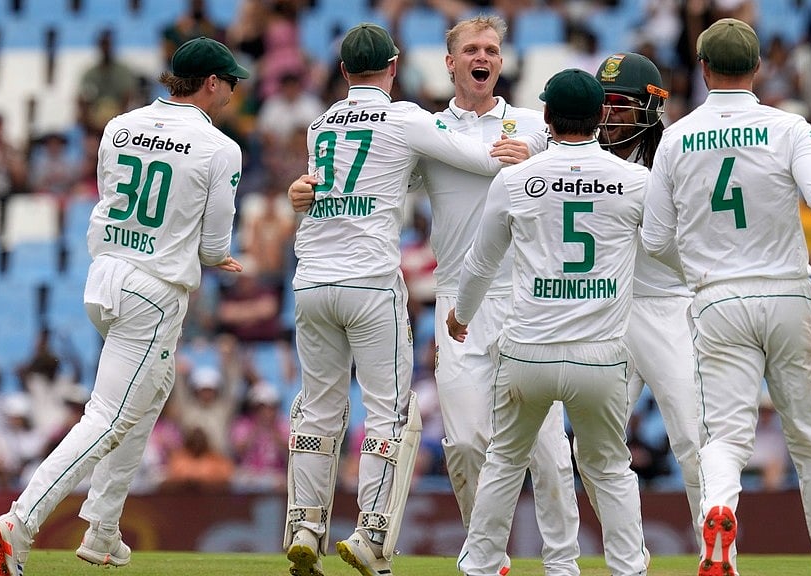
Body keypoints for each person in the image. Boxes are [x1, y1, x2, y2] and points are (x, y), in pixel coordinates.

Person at [288, 16, 580, 575]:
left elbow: (578, 171)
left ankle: (562, 562)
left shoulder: (534, 124)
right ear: (450, 63)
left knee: (546, 446)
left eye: (492, 49)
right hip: (456, 301)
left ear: (501, 60)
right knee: (467, 442)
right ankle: (486, 555)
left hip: (527, 296)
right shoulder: (421, 128)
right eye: (472, 48)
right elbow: (365, 175)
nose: (484, 57)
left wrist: (539, 160)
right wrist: (306, 188)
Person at [641, 18, 811, 576]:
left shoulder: (674, 137)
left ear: (704, 68)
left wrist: (701, 270)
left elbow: (656, 240)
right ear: (759, 67)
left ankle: (719, 512)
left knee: (725, 440)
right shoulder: (788, 127)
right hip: (788, 292)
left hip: (716, 300)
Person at [0, 36, 248, 576]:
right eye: (231, 83)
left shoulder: (120, 125)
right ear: (213, 83)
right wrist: (217, 259)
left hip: (105, 278)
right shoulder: (220, 147)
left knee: (150, 394)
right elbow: (214, 243)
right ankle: (20, 523)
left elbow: (109, 197)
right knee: (107, 416)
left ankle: (103, 529)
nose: (234, 92)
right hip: (153, 293)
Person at [448, 68, 648, 576]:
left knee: (503, 463)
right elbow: (669, 248)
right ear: (602, 116)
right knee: (609, 470)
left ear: (547, 118)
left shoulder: (516, 180)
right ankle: (629, 569)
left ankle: (479, 567)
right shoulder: (635, 181)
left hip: (529, 350)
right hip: (599, 353)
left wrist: (460, 315)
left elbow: (480, 262)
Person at [595, 50, 702, 528]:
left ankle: (717, 553)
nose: (610, 115)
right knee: (595, 447)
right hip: (609, 311)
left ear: (650, 106)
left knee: (692, 440)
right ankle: (627, 555)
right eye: (604, 103)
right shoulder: (582, 154)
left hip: (667, 308)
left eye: (621, 104)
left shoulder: (676, 154)